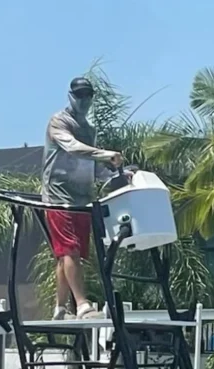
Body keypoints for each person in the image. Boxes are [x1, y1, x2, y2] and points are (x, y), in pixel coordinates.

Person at [42, 76, 125, 320]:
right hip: (58, 197)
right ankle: (82, 304)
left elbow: (92, 166)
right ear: (70, 96)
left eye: (88, 96)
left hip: (82, 200)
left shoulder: (90, 130)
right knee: (70, 250)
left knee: (67, 254)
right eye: (79, 95)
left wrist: (116, 170)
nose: (84, 100)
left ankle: (60, 307)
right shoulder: (58, 122)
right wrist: (105, 154)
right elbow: (72, 147)